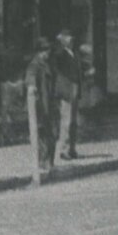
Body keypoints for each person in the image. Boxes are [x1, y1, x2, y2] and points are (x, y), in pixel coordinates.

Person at [24, 37, 57, 180]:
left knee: (52, 134)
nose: (47, 53)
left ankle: (49, 161)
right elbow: (30, 77)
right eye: (44, 50)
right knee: (44, 135)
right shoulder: (35, 64)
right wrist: (31, 86)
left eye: (48, 50)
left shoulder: (46, 63)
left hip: (49, 104)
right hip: (41, 106)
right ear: (39, 51)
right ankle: (44, 161)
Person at [51, 30, 82, 160]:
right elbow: (55, 57)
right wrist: (60, 42)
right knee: (66, 121)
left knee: (73, 122)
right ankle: (63, 150)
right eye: (68, 39)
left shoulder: (75, 54)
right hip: (66, 91)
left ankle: (72, 149)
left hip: (74, 90)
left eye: (72, 39)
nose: (71, 41)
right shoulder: (61, 54)